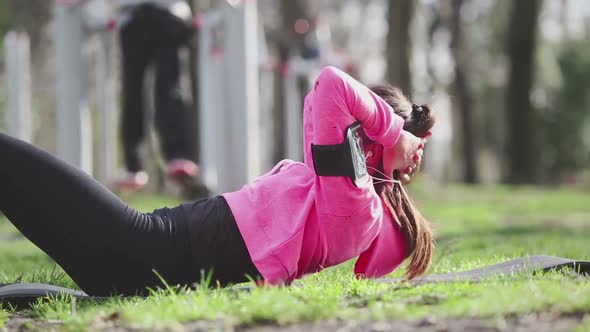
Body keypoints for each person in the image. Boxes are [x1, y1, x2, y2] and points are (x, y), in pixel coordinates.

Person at [0, 66, 433, 296]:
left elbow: (329, 86)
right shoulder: (337, 198)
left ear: (371, 144)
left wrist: (395, 135)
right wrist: (391, 138)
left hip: (137, 250)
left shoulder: (356, 208)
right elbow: (316, 106)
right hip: (139, 254)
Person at [113, 0, 199, 190]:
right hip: (133, 15)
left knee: (170, 89)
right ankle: (133, 164)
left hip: (171, 15)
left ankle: (178, 155)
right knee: (133, 90)